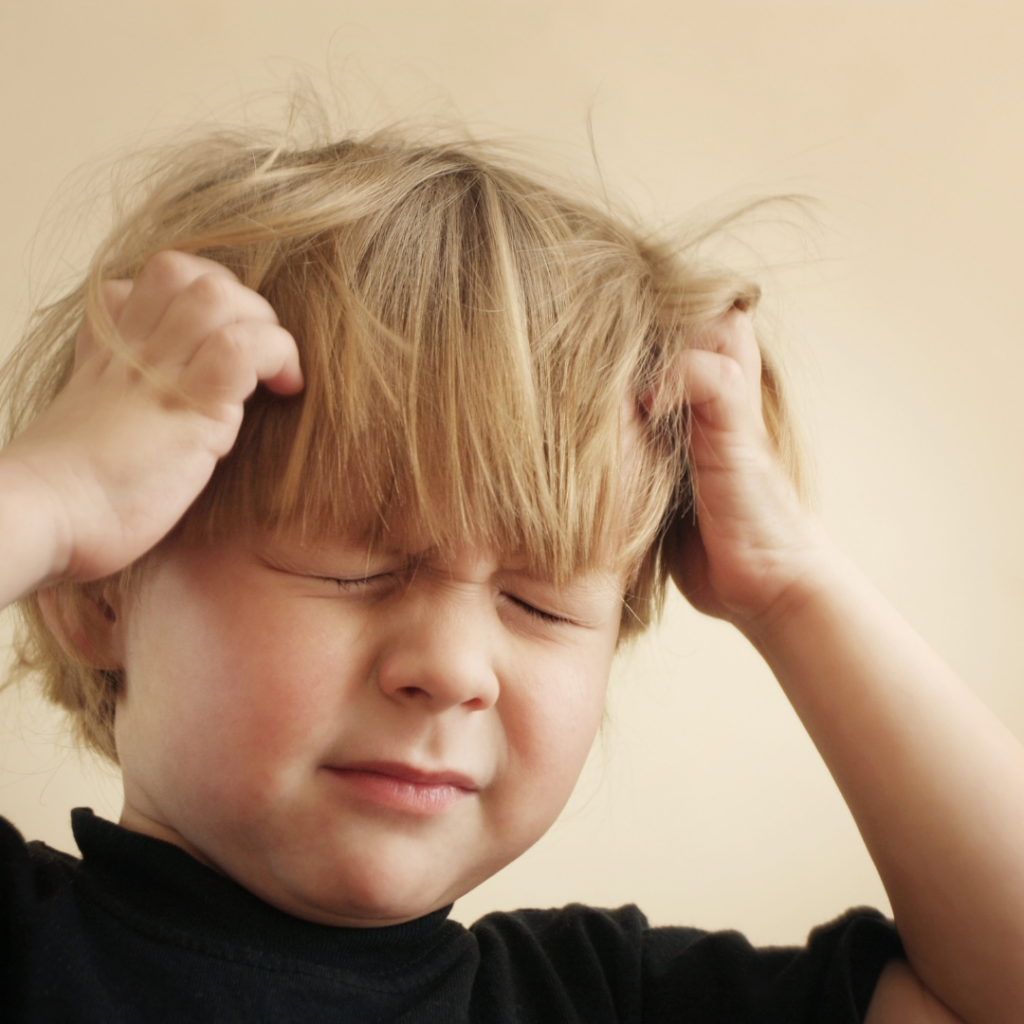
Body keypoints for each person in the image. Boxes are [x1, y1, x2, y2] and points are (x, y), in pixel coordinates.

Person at [0, 123, 1020, 1024]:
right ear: (99, 592)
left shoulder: (601, 998)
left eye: (539, 603)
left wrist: (791, 585)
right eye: (356, 571)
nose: (453, 669)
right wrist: (53, 495)